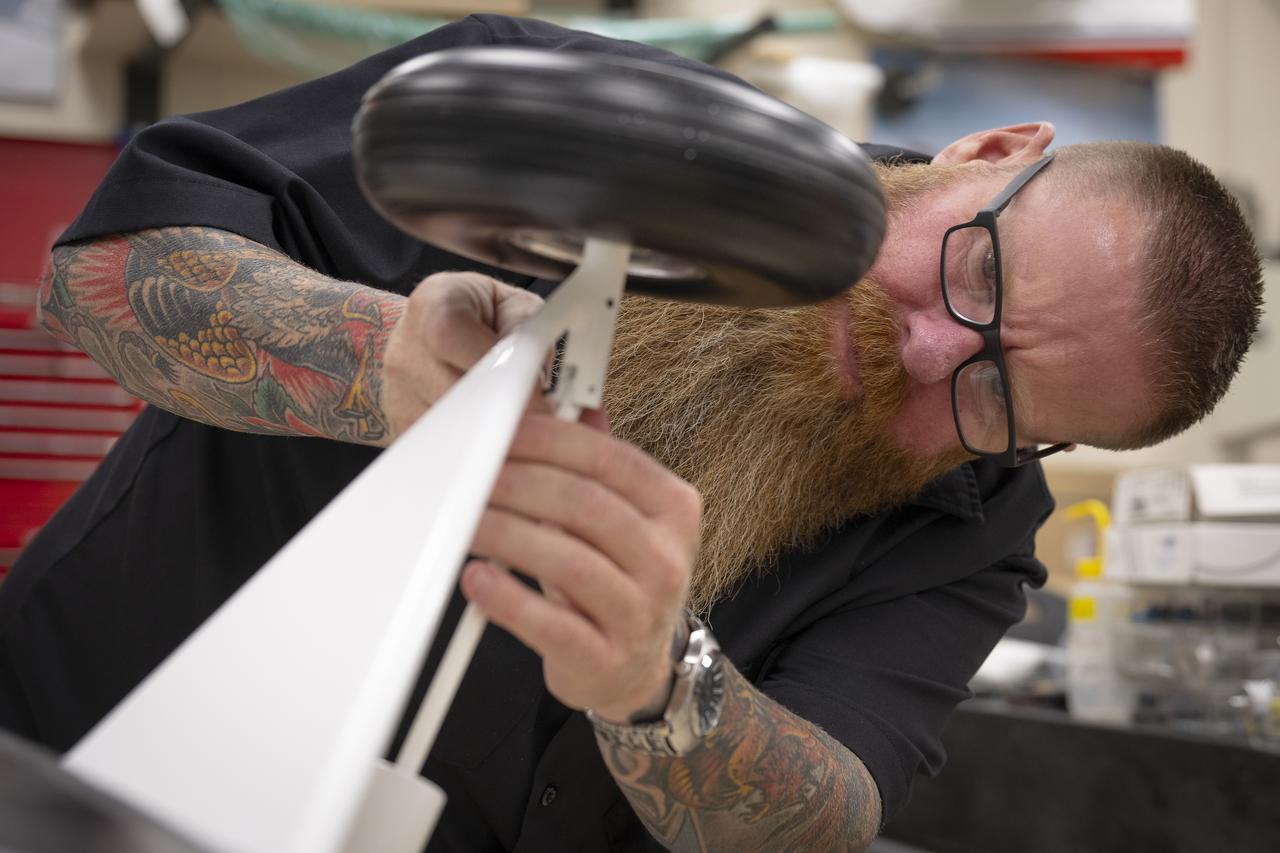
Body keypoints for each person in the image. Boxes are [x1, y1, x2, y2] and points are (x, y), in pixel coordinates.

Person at [0, 13, 1262, 853]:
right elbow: (108, 269)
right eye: (977, 275)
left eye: (995, 398)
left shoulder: (971, 522)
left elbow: (828, 812)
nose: (932, 351)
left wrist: (661, 690)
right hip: (66, 766)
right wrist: (371, 360)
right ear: (988, 149)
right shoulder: (563, 116)